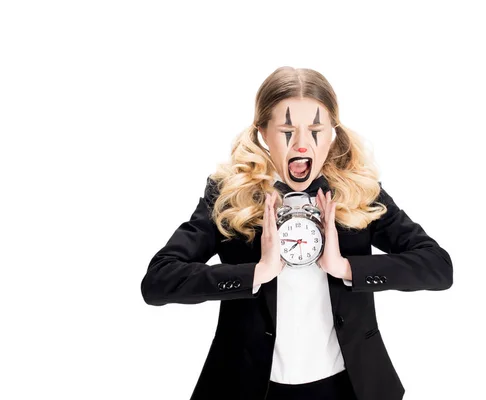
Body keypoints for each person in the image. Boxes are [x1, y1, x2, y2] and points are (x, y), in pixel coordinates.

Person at [140, 66, 453, 400]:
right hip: (250, 388)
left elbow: (437, 267)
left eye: (316, 128)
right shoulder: (230, 196)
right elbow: (158, 281)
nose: (303, 143)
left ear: (332, 131)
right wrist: (256, 272)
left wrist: (346, 268)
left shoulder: (358, 192)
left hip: (348, 388)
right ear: (262, 131)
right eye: (287, 129)